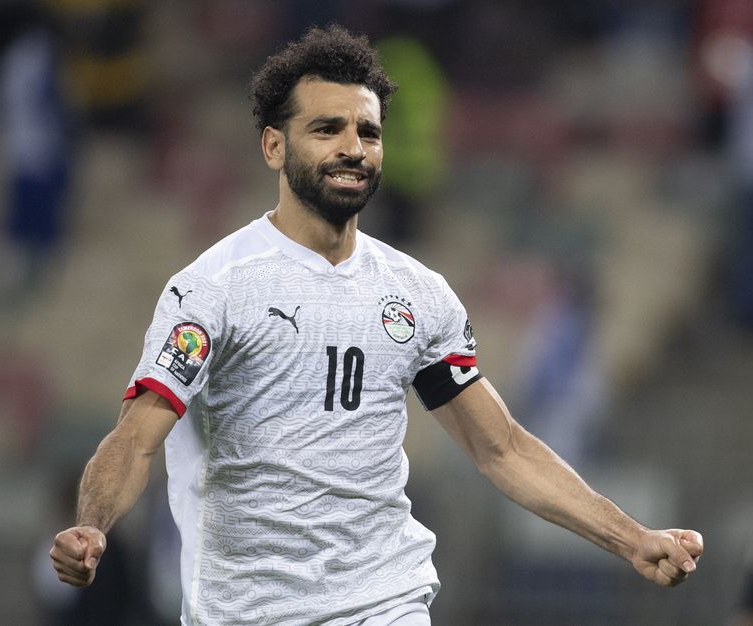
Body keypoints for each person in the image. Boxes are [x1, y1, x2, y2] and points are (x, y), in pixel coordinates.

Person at [50, 24, 704, 626]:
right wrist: (93, 526)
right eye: (327, 129)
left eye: (368, 131)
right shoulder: (216, 290)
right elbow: (136, 439)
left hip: (384, 603)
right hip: (251, 609)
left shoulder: (416, 295)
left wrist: (633, 539)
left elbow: (500, 448)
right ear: (274, 146)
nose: (353, 148)